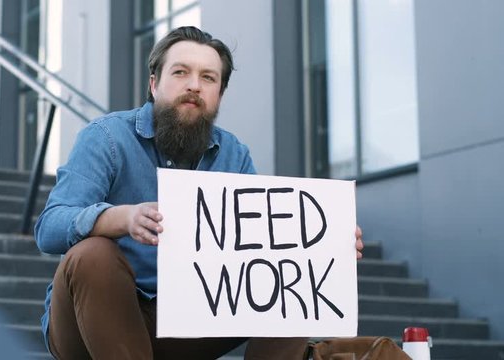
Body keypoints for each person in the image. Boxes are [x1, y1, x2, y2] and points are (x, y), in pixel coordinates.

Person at [34, 26, 365, 360]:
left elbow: (260, 244)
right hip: (91, 321)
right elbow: (49, 229)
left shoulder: (234, 154)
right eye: (180, 72)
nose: (194, 85)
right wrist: (120, 218)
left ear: (218, 95)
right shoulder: (106, 137)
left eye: (208, 78)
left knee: (289, 270)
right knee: (92, 254)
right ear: (153, 84)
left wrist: (324, 247)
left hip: (186, 318)